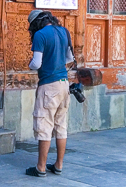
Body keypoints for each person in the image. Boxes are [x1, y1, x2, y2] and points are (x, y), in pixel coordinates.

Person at [25, 9, 75, 178]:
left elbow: (36, 63)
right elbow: (69, 58)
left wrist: (30, 64)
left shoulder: (40, 35)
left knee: (44, 126)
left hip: (48, 85)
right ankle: (59, 165)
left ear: (35, 24)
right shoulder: (64, 31)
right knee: (61, 126)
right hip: (64, 84)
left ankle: (41, 167)